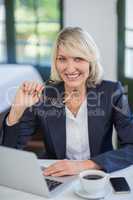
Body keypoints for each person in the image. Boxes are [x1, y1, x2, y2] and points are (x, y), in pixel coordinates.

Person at [1, 27, 133, 177]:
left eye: (78, 58)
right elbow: (8, 155)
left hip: (99, 176)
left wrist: (85, 165)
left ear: (91, 61)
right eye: (62, 59)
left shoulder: (113, 91)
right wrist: (15, 112)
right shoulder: (43, 96)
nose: (70, 69)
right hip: (57, 176)